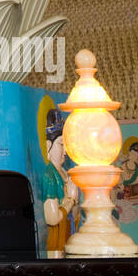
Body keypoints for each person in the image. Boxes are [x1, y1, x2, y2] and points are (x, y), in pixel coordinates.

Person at [42, 107, 77, 253]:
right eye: (61, 144)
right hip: (56, 244)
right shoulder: (50, 176)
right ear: (48, 146)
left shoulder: (64, 173)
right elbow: (52, 218)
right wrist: (71, 201)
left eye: (67, 146)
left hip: (69, 236)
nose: (66, 152)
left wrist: (74, 200)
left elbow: (75, 215)